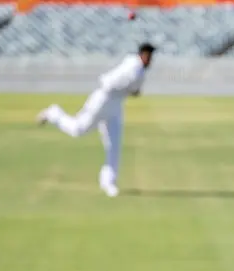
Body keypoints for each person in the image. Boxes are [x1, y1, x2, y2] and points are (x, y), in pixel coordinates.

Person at [36, 43, 156, 197]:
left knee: (114, 145)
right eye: (148, 56)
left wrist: (131, 91)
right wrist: (131, 90)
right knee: (78, 130)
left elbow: (132, 89)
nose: (150, 60)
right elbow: (112, 83)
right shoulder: (134, 66)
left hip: (116, 105)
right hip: (103, 101)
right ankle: (54, 113)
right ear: (142, 55)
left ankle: (109, 182)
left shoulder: (138, 67)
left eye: (151, 56)